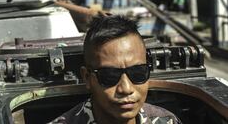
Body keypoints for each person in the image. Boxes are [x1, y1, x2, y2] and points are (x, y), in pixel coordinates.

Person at [49, 15, 181, 124]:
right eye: (109, 75)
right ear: (87, 78)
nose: (126, 89)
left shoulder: (166, 121)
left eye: (138, 72)